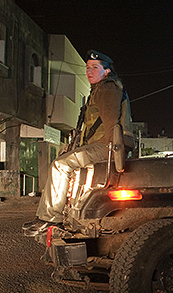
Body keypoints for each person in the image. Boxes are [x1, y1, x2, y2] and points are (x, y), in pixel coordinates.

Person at [23, 50, 133, 236]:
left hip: (109, 145)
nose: (89, 71)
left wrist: (114, 153)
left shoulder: (107, 88)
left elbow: (111, 124)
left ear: (106, 71)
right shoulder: (99, 89)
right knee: (64, 162)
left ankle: (51, 218)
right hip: (103, 144)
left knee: (60, 165)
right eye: (88, 68)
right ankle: (62, 213)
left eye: (95, 68)